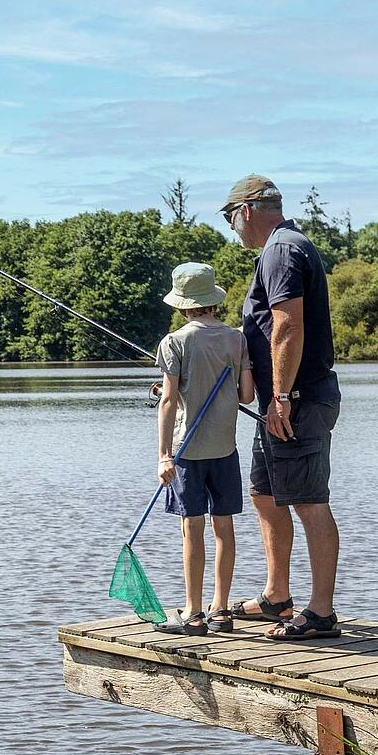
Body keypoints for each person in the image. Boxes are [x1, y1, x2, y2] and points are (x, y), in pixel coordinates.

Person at [220, 175, 342, 640]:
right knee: (264, 494)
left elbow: (288, 327)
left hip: (297, 400)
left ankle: (321, 612)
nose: (233, 228)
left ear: (247, 209)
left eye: (231, 218)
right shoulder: (281, 248)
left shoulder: (281, 250)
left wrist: (283, 397)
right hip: (281, 401)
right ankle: (277, 596)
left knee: (310, 502)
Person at [154, 262, 255, 636]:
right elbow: (247, 395)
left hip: (187, 453)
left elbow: (167, 401)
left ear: (182, 305)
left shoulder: (174, 342)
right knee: (223, 528)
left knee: (191, 529)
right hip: (225, 449)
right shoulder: (237, 339)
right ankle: (222, 609)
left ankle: (194, 613)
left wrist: (164, 456)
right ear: (212, 301)